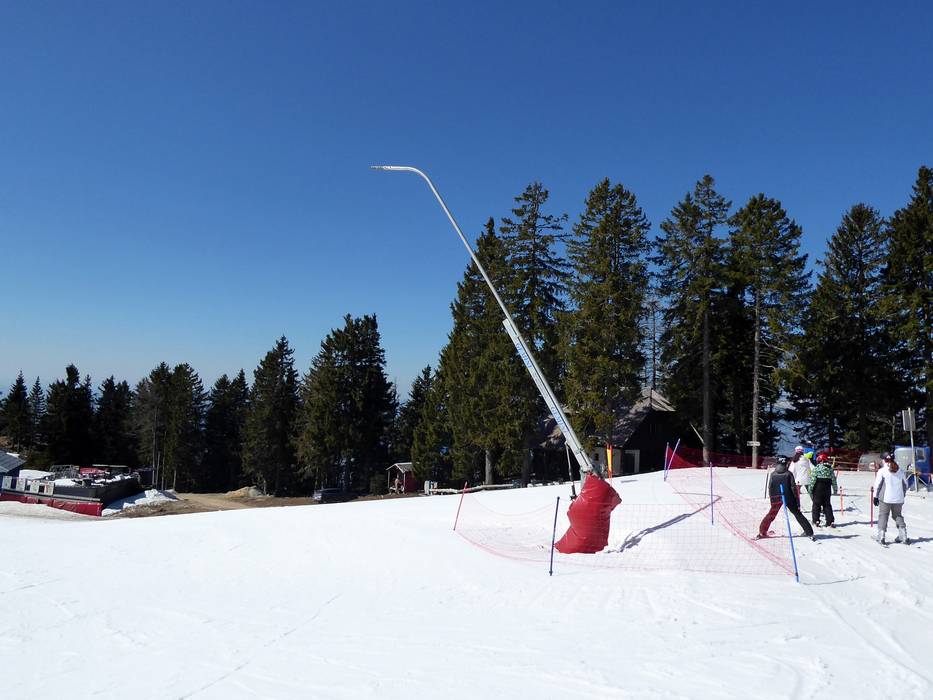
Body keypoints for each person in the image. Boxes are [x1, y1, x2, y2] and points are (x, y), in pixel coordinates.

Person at [758, 456, 815, 540]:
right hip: (789, 497)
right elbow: (793, 488)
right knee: (797, 514)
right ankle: (809, 532)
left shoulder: (773, 474)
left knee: (771, 514)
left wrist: (772, 499)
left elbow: (770, 487)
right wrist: (796, 500)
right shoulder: (788, 474)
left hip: (776, 497)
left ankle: (762, 531)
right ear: (786, 464)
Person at [873, 453, 909, 544]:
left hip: (885, 498)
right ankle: (903, 535)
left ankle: (881, 536)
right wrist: (902, 494)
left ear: (884, 460)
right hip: (899, 498)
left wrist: (875, 496)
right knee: (897, 515)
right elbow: (906, 485)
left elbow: (877, 485)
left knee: (883, 515)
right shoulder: (900, 470)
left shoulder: (882, 471)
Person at [809, 454, 838, 527]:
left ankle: (816, 520)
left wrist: (810, 489)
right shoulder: (830, 468)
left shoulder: (816, 468)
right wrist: (835, 489)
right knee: (827, 504)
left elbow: (812, 480)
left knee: (816, 504)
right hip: (827, 488)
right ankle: (830, 521)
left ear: (820, 460)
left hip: (818, 488)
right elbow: (833, 480)